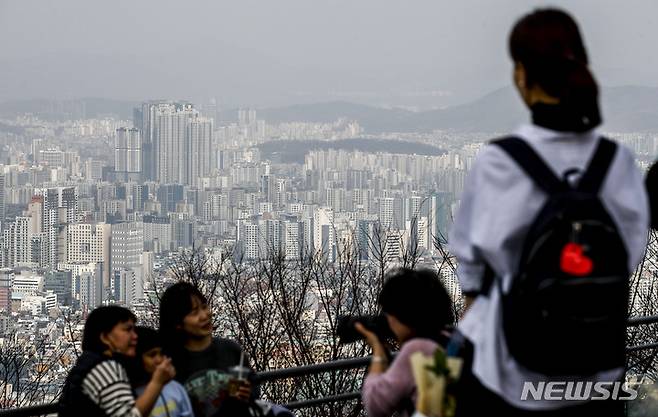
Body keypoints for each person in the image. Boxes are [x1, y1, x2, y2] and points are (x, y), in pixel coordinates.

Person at [449, 8, 649, 416]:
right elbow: (627, 255)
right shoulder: (619, 164)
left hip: (515, 381)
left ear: (521, 74)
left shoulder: (499, 163)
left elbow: (472, 276)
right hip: (598, 381)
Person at [357, 268, 454, 417]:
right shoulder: (450, 338)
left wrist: (378, 352)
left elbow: (376, 405)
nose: (388, 320)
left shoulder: (418, 350)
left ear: (403, 314)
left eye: (389, 313)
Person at [59, 305, 176, 417]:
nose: (135, 336)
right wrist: (157, 382)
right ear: (105, 337)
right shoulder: (103, 369)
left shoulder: (89, 363)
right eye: (127, 330)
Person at [159, 282, 254, 417]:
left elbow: (252, 385)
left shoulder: (231, 350)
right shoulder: (168, 363)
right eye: (194, 313)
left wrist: (247, 394)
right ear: (177, 323)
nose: (204, 316)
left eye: (204, 307)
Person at [133, 326, 195, 417]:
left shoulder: (175, 387)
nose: (159, 360)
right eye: (152, 355)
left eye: (161, 354)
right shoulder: (132, 393)